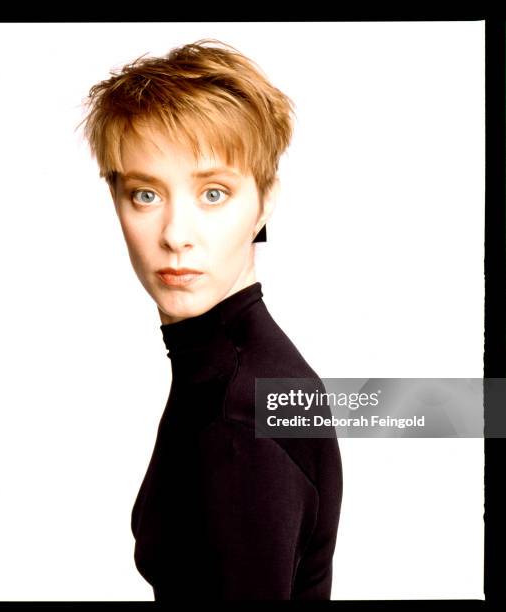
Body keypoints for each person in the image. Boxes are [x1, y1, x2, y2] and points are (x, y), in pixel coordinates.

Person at [79, 38, 343, 601]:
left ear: (265, 200)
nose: (176, 235)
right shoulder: (245, 370)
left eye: (214, 193)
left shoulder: (237, 415)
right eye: (145, 194)